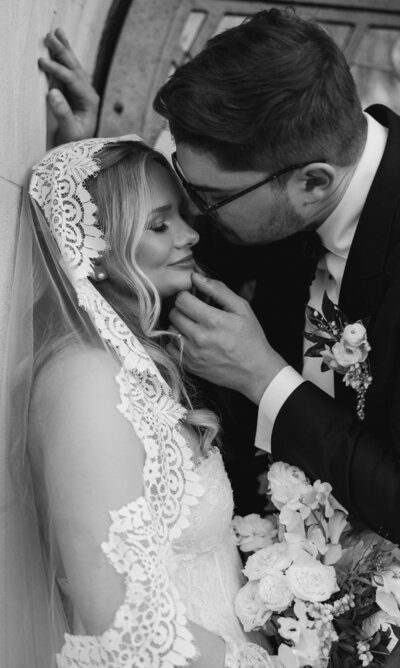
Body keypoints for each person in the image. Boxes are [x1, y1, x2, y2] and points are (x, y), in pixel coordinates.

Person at [4, 136, 274, 667]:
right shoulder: (83, 380)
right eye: (159, 224)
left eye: (182, 216)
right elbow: (124, 623)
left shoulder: (135, 363)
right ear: (96, 250)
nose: (190, 234)